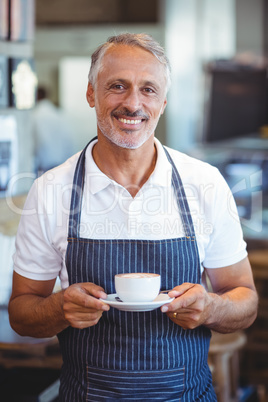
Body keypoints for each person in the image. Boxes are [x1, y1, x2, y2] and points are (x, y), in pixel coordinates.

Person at [9, 33, 258, 401]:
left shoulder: (202, 183)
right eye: (117, 86)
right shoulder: (51, 190)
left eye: (148, 90)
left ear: (163, 102)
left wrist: (213, 306)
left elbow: (245, 299)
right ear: (92, 93)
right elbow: (22, 312)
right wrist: (59, 308)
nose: (133, 103)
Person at [32, 87, 75, 175]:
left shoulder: (35, 116)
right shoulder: (58, 114)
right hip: (62, 164)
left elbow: (35, 143)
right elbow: (68, 139)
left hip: (43, 166)